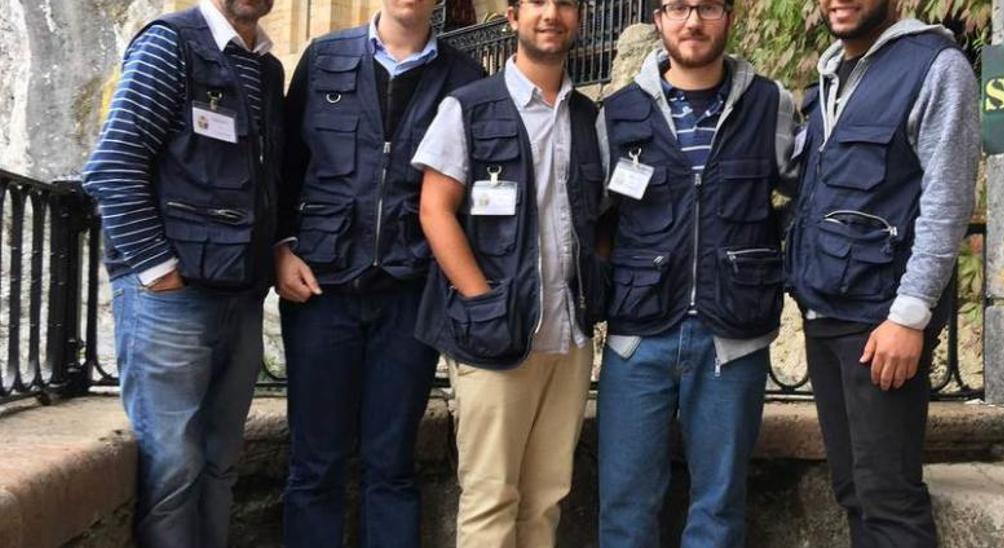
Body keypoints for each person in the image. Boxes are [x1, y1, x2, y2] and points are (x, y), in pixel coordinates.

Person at [274, 0, 484, 546]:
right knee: (314, 463)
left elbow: (473, 198)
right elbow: (283, 164)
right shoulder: (324, 58)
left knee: (391, 464)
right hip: (321, 289)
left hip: (410, 294)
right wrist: (280, 248)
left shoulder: (464, 77)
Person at [594, 1, 799, 546]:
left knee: (719, 510)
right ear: (659, 19)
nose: (692, 22)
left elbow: (808, 196)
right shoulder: (617, 112)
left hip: (732, 340)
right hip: (638, 339)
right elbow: (596, 218)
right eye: (678, 7)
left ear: (728, 17)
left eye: (707, 7)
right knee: (625, 508)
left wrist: (771, 261)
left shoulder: (770, 104)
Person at [80, 0, 283, 546]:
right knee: (173, 468)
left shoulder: (266, 66)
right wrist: (157, 268)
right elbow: (113, 165)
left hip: (238, 294)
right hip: (172, 298)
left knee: (219, 464)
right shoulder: (171, 43)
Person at [411, 0, 608, 546]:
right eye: (537, 3)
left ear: (579, 19)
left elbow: (602, 221)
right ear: (513, 18)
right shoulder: (469, 107)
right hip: (494, 337)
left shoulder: (590, 117)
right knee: (491, 497)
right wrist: (480, 300)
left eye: (565, 4)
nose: (552, 14)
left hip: (567, 339)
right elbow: (434, 209)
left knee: (547, 497)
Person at [786, 1, 980, 546]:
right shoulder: (832, 74)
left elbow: (946, 203)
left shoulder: (935, 66)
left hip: (881, 320)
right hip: (826, 310)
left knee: (888, 498)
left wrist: (909, 317)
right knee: (853, 489)